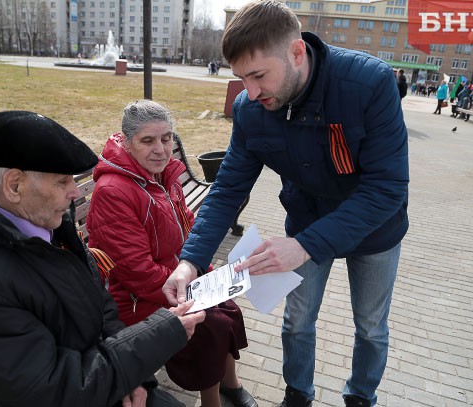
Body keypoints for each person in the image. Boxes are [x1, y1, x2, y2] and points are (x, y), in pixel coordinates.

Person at [162, 1, 409, 406]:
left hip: (374, 230)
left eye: (259, 76)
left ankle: (361, 395)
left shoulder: (368, 84)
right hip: (306, 222)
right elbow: (227, 190)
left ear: (297, 53)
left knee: (370, 326)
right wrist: (190, 261)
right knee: (296, 322)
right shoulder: (251, 110)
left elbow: (387, 189)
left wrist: (303, 246)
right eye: (242, 78)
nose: (251, 92)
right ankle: (298, 393)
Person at [0, 110, 206, 407]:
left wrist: (135, 378)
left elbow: (102, 309)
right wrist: (157, 337)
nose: (73, 192)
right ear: (14, 185)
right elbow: (52, 388)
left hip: (93, 375)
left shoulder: (47, 229)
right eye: (61, 181)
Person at [86, 100, 257, 407]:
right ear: (127, 142)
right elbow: (136, 272)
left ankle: (230, 384)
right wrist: (194, 286)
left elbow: (189, 228)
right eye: (147, 141)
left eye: (166, 139)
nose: (161, 150)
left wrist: (203, 270)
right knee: (210, 322)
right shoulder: (114, 191)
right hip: (134, 298)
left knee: (228, 306)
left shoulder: (162, 177)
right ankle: (211, 402)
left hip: (171, 278)